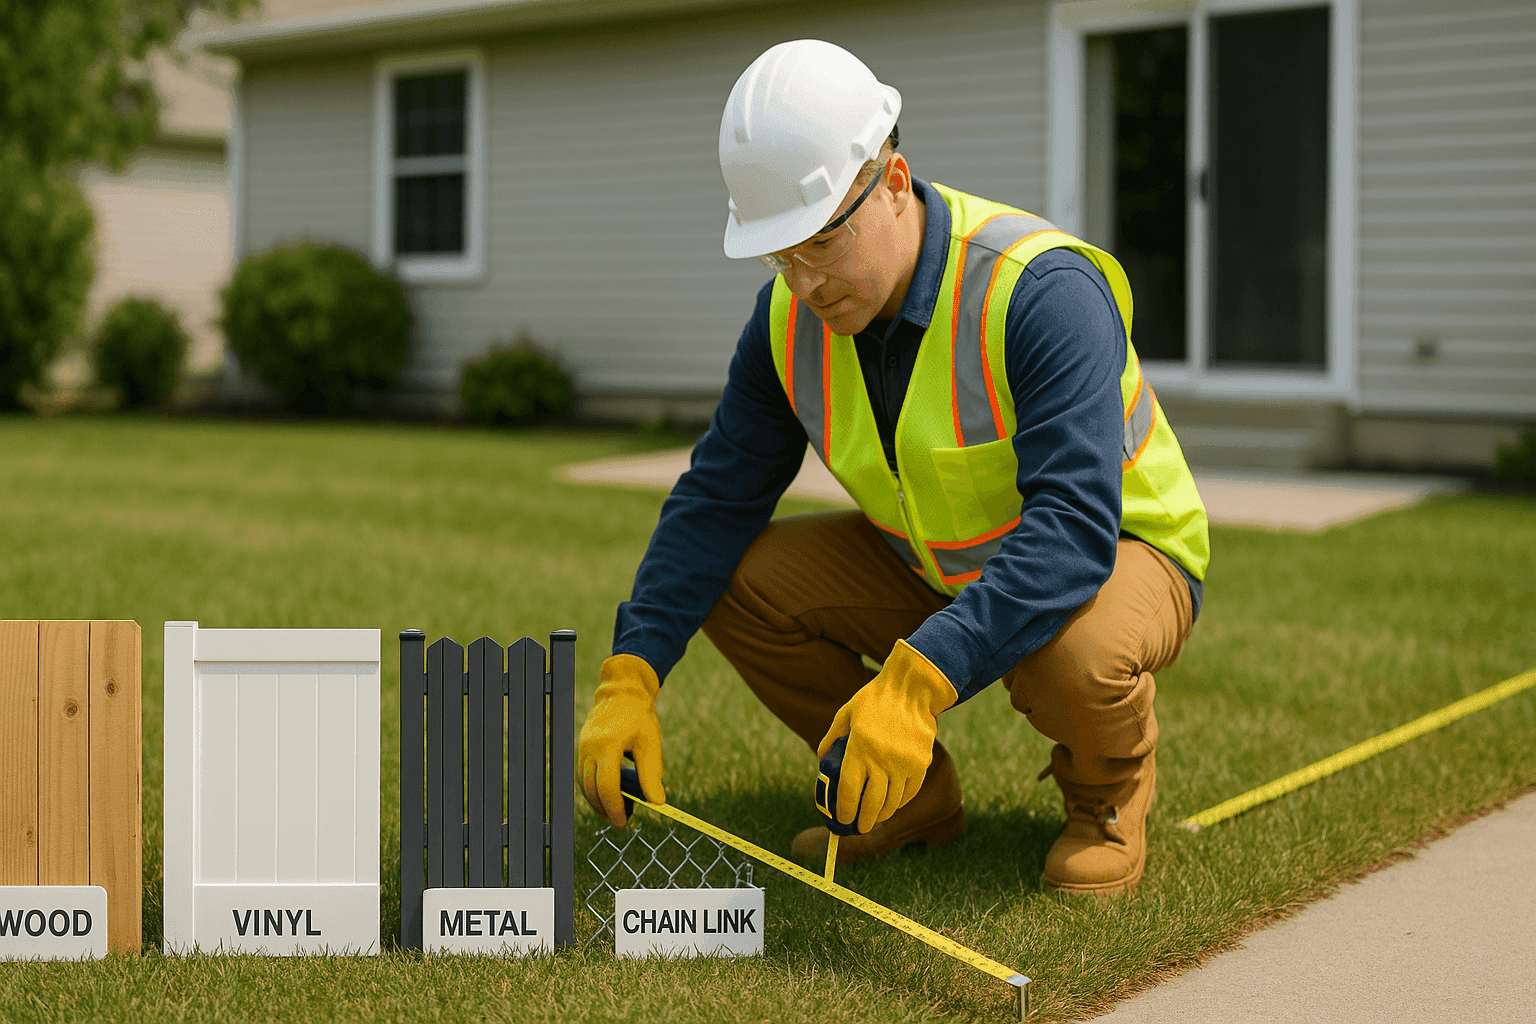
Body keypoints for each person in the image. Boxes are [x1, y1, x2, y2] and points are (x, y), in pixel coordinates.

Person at [578, 39, 1209, 895]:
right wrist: (632, 673)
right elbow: (716, 500)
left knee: (1077, 651)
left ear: (895, 184)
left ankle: (1107, 797)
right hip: (937, 562)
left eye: (820, 242)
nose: (804, 283)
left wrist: (913, 684)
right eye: (780, 255)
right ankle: (910, 799)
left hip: (1121, 550)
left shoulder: (1040, 291)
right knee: (735, 577)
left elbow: (1071, 532)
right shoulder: (785, 325)